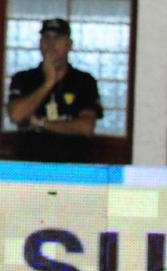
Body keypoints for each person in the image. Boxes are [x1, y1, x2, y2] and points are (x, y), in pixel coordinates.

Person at [6, 18, 103, 163]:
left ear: (69, 44)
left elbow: (86, 127)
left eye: (57, 38)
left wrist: (41, 123)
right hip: (30, 165)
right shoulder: (23, 78)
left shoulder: (84, 81)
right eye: (46, 38)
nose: (51, 44)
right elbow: (16, 115)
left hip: (73, 166)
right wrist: (48, 83)